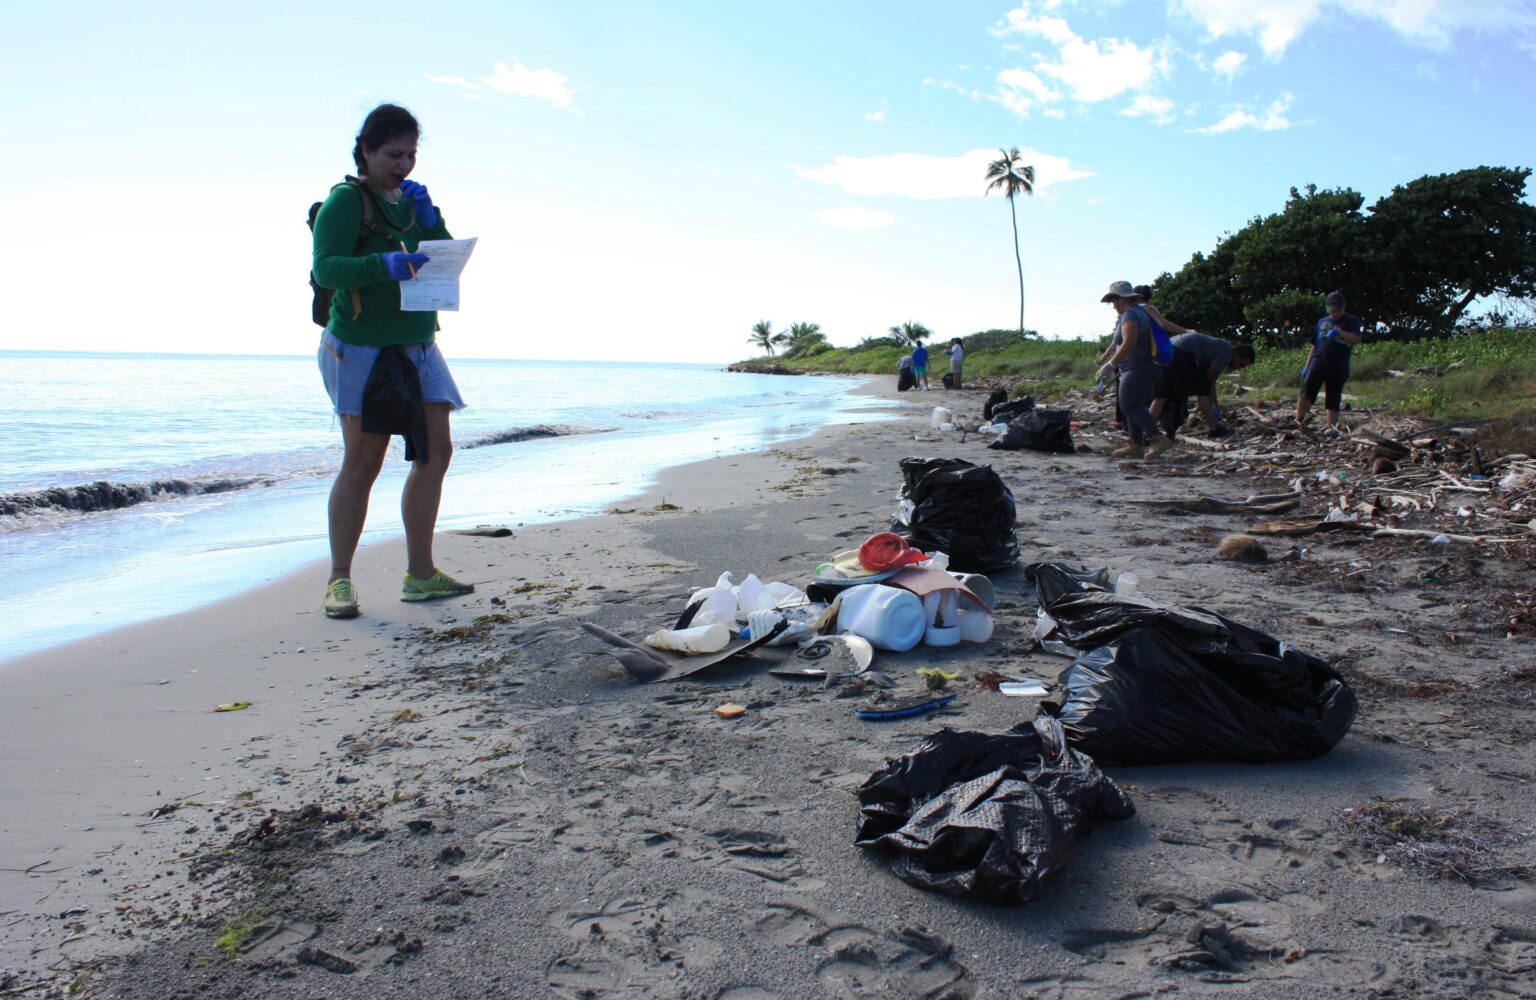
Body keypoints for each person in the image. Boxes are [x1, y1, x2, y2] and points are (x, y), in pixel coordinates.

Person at [312, 103, 475, 619]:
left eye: (410, 155)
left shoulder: (412, 202)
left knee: (436, 453)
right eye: (392, 154)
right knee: (363, 462)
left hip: (419, 343)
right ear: (366, 150)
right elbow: (328, 269)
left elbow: (446, 261)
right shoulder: (346, 201)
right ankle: (340, 580)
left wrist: (432, 222)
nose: (403, 164)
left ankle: (421, 575)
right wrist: (382, 265)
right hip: (359, 346)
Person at [1100, 280, 1171, 459]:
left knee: (1129, 404)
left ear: (1121, 300)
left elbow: (1129, 342)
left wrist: (1111, 364)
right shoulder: (1140, 312)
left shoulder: (1130, 315)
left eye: (1114, 302)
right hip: (1144, 367)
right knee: (1134, 405)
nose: (1113, 306)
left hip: (1137, 367)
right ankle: (1135, 444)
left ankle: (1157, 438)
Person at [1152, 333, 1256, 437]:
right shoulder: (1227, 352)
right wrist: (1213, 405)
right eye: (1241, 364)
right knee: (1202, 391)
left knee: (1162, 397)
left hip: (1167, 349)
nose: (1238, 367)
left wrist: (1213, 403)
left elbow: (1210, 380)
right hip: (1182, 352)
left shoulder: (1218, 347)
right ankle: (1214, 428)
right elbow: (1209, 379)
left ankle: (1146, 431)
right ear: (1237, 355)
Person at [1296, 291, 1364, 432]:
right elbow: (1314, 345)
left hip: (1338, 366)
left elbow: (1356, 338)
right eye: (1332, 311)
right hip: (1318, 363)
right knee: (1306, 391)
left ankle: (1330, 427)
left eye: (1337, 310)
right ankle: (1299, 420)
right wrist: (1307, 366)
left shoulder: (1351, 321)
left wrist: (1339, 332)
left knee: (1333, 398)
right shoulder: (1322, 322)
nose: (1334, 314)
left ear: (1343, 307)